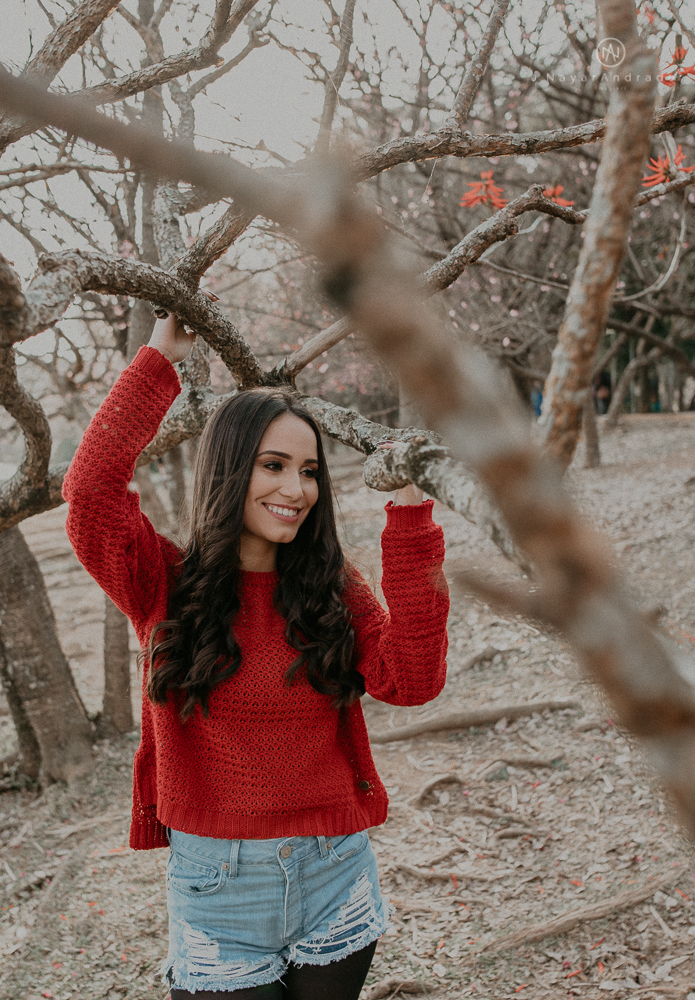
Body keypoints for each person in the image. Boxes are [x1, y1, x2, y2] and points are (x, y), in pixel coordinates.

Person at [62, 314, 449, 1000]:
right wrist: (158, 359)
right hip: (218, 890)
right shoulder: (163, 583)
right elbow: (91, 493)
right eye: (272, 466)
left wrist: (409, 519)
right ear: (229, 468)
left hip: (337, 874)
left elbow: (412, 681)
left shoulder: (330, 589)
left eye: (307, 471)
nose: (295, 490)